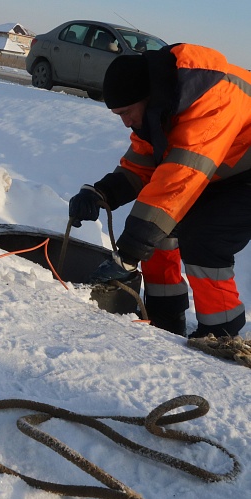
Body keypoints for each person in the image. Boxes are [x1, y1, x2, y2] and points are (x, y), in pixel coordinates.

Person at [69, 43, 251, 338]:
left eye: (127, 112)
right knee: (160, 230)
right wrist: (100, 193)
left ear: (147, 97)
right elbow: (142, 163)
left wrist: (127, 255)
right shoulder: (164, 102)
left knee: (204, 237)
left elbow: (179, 181)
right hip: (225, 167)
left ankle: (222, 335)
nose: (126, 122)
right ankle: (165, 316)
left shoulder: (212, 98)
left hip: (243, 174)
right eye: (119, 115)